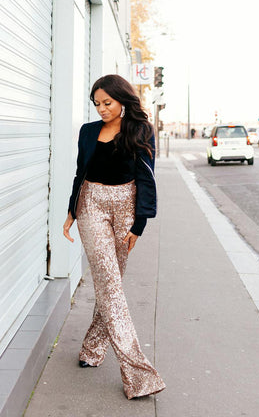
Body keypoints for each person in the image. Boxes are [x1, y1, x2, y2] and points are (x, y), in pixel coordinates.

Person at [63, 74, 166, 400]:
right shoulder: (88, 131)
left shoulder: (141, 130)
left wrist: (140, 223)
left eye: (107, 102)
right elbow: (81, 172)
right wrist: (72, 210)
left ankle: (92, 348)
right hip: (91, 203)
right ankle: (138, 374)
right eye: (97, 104)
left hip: (125, 206)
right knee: (109, 284)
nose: (102, 109)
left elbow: (147, 176)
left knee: (111, 284)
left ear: (123, 99)